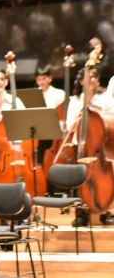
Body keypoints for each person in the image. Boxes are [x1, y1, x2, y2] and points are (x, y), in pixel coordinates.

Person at [67, 67, 114, 226]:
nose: (92, 80)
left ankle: (106, 211)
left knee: (105, 177)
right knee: (80, 179)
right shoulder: (75, 100)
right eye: (88, 77)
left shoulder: (105, 97)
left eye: (94, 76)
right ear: (81, 81)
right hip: (81, 144)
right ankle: (81, 214)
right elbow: (68, 125)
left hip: (100, 143)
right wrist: (79, 116)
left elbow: (111, 115)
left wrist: (93, 108)